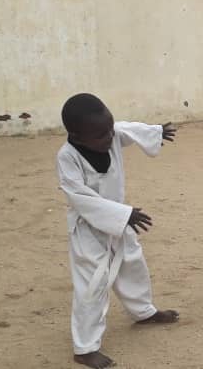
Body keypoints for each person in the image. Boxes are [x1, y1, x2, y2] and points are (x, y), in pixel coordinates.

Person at [56, 93, 180, 369]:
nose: (110, 137)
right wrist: (124, 214)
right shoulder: (67, 158)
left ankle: (143, 311)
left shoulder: (111, 134)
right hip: (89, 229)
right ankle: (85, 348)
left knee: (132, 264)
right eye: (101, 135)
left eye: (109, 129)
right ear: (77, 137)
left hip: (120, 222)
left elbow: (129, 129)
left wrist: (155, 132)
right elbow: (80, 198)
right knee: (93, 283)